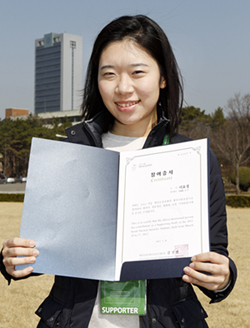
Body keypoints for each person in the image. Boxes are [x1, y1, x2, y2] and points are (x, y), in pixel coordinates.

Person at [1, 15, 237, 328]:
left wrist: (222, 276)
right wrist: (14, 260)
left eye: (137, 72)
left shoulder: (190, 157)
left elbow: (215, 250)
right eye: (109, 74)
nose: (123, 88)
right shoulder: (70, 153)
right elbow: (47, 246)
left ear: (163, 77)